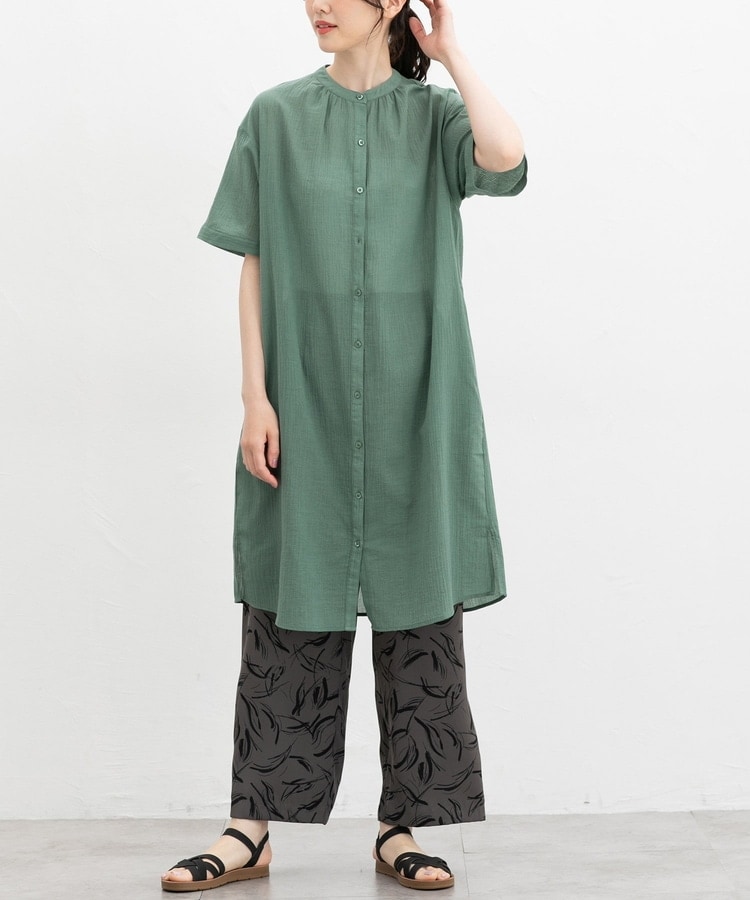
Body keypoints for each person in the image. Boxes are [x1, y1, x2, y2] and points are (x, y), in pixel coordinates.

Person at [161, 0, 526, 892]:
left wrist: (451, 53)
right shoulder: (276, 116)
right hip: (305, 399)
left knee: (419, 611)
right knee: (289, 605)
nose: (317, 5)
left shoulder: (437, 117)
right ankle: (249, 829)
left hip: (417, 404)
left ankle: (405, 827)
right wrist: (255, 397)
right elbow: (252, 260)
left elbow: (506, 157)